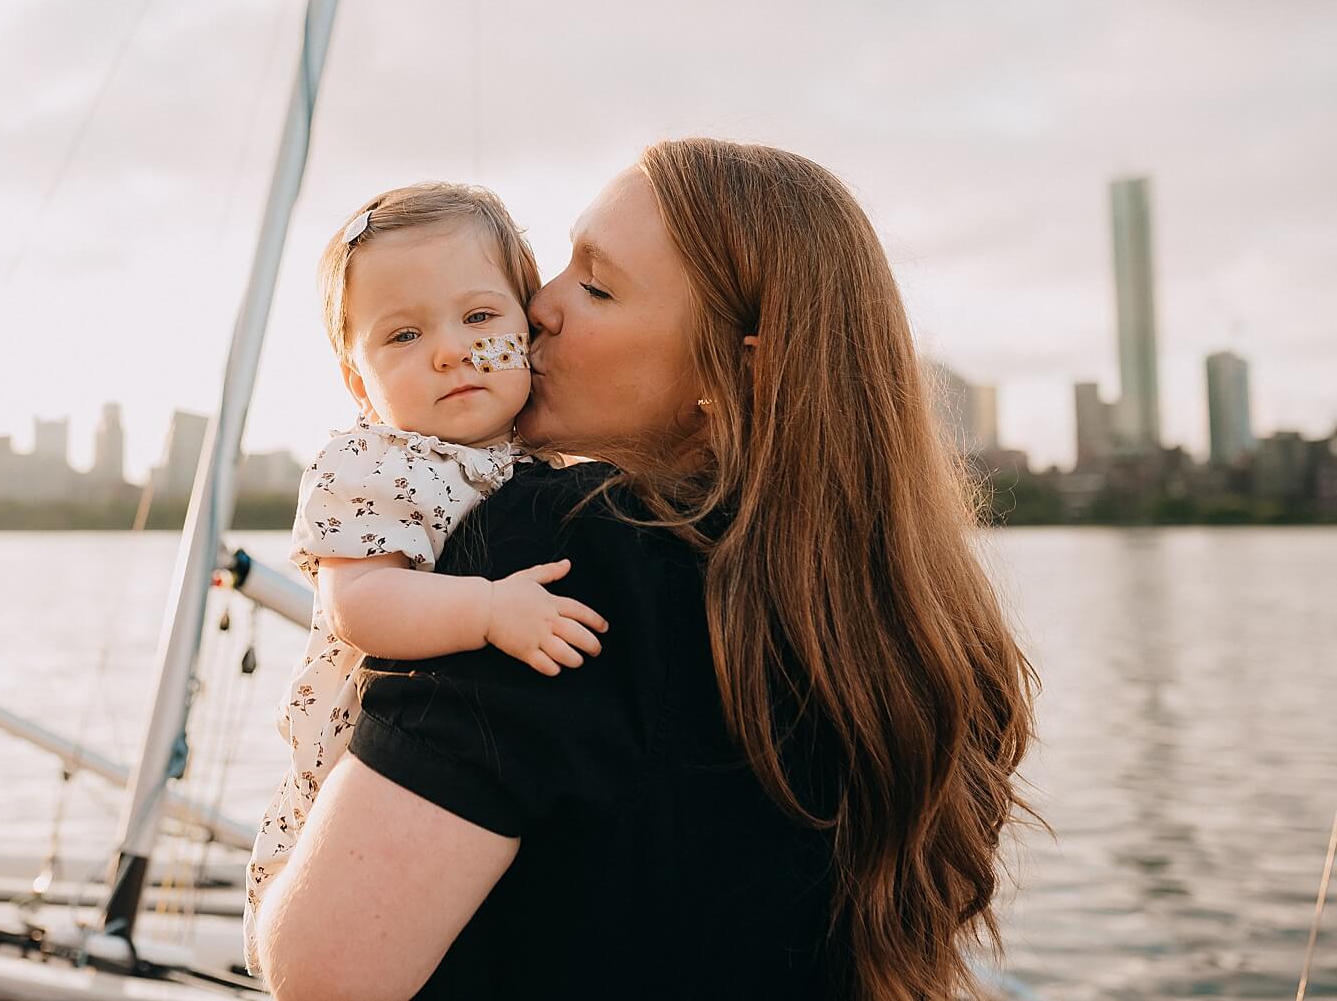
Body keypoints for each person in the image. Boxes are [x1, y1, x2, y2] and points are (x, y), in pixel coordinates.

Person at [255, 139, 1039, 1000]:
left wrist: (271, 903)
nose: (539, 306)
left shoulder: (560, 546)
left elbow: (323, 971)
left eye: (594, 286)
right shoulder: (895, 632)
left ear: (736, 369)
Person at [244, 183, 609, 976]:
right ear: (357, 380)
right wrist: (484, 609)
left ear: (527, 327)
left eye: (480, 318)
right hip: (360, 765)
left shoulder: (543, 460)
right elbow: (361, 604)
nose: (449, 350)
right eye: (403, 335)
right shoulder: (372, 463)